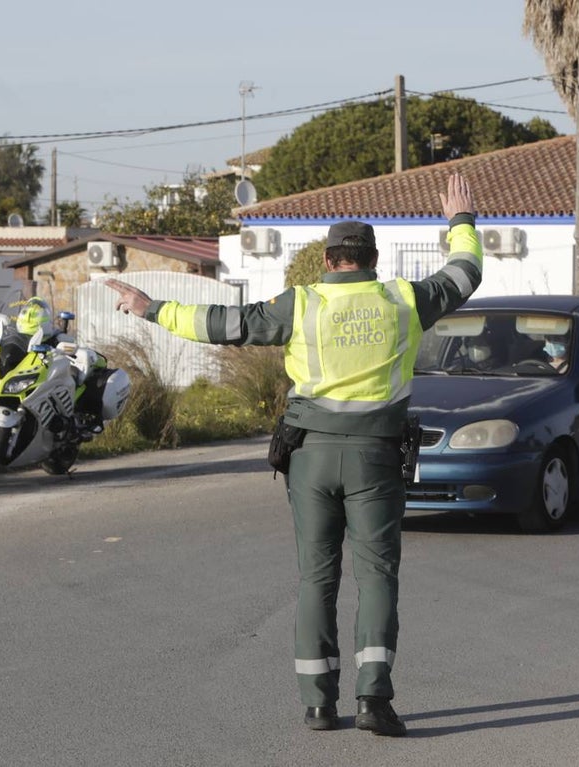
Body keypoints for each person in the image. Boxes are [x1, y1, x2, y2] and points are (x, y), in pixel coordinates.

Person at [105, 172, 482, 737]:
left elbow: (224, 326)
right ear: (371, 261)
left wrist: (151, 307)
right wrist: (460, 223)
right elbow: (465, 274)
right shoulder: (404, 300)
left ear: (328, 260)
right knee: (377, 574)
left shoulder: (301, 304)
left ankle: (319, 705)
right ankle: (374, 701)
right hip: (376, 458)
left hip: (309, 457)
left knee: (316, 578)